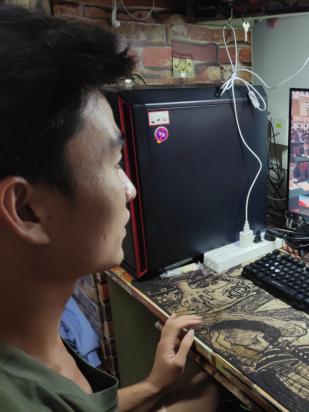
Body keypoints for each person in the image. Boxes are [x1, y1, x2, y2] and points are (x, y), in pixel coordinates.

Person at [0, 6, 226, 412]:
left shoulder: (26, 334)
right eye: (114, 163)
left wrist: (154, 386)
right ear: (27, 209)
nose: (130, 190)